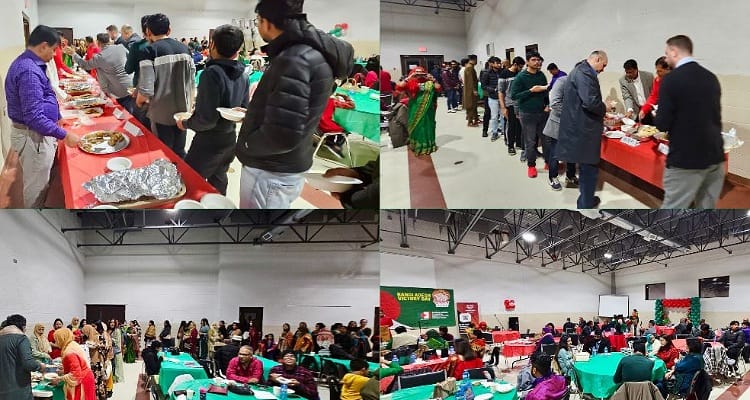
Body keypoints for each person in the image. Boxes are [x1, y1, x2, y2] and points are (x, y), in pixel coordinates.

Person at [236, 0, 354, 209]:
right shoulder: (312, 54)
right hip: (286, 163)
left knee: (258, 226)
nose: (258, 27)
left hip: (270, 170)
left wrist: (248, 144)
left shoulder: (294, 59)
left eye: (258, 21)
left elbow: (282, 136)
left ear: (267, 22)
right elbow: (293, 112)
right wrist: (252, 116)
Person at [4, 26, 81, 207]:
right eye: (53, 50)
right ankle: (35, 216)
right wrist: (64, 135)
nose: (54, 55)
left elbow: (46, 93)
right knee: (36, 187)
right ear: (43, 46)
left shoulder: (30, 63)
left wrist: (57, 115)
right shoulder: (29, 71)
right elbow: (34, 117)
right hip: (33, 136)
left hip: (36, 132)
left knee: (40, 179)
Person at [177, 24, 249, 195]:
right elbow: (243, 109)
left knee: (189, 183)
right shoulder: (244, 74)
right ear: (238, 49)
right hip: (229, 139)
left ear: (213, 45)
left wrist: (185, 123)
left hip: (208, 143)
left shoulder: (212, 73)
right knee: (219, 181)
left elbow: (206, 120)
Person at [655, 35, 724, 209]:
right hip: (715, 156)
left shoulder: (670, 80)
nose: (666, 59)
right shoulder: (711, 77)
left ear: (674, 51)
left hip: (686, 159)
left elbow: (662, 123)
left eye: (667, 54)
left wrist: (658, 114)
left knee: (672, 211)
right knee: (706, 209)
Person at [136, 13, 195, 158]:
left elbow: (146, 88)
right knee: (179, 149)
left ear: (148, 32)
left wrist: (139, 101)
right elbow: (192, 80)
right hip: (182, 112)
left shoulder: (149, 51)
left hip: (160, 113)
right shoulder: (185, 49)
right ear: (169, 30)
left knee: (162, 151)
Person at [556, 50, 608, 209]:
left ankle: (585, 199)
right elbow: (590, 102)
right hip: (584, 128)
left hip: (579, 126)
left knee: (586, 168)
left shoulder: (579, 71)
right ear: (597, 59)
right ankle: (586, 203)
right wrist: (604, 108)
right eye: (603, 65)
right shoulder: (585, 73)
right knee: (589, 169)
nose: (603, 69)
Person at [65, 33, 134, 114]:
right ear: (109, 40)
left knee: (124, 112)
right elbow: (131, 59)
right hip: (130, 85)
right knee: (130, 111)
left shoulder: (100, 57)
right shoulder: (121, 47)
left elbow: (85, 65)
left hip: (118, 90)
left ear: (97, 42)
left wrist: (74, 54)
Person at [510, 51, 550, 179]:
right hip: (527, 114)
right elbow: (514, 96)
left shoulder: (541, 75)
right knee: (530, 141)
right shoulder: (520, 77)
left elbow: (545, 91)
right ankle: (531, 166)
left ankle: (548, 162)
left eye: (538, 60)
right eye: (534, 60)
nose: (537, 62)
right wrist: (530, 91)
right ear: (527, 62)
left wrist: (547, 104)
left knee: (546, 139)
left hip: (542, 113)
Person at [542, 74, 578, 191]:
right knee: (556, 152)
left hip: (574, 125)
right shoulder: (562, 82)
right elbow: (555, 104)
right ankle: (552, 177)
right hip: (559, 123)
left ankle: (570, 175)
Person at [395, 66, 441, 155]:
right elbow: (398, 87)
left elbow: (438, 88)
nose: (420, 76)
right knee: (417, 126)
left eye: (422, 73)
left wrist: (433, 80)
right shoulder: (410, 82)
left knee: (427, 126)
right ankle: (417, 145)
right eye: (417, 74)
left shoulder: (429, 82)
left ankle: (428, 146)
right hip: (414, 108)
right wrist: (410, 77)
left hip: (428, 110)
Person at [0, 314, 45, 400]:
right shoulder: (21, 338)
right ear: (22, 326)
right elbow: (28, 363)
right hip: (19, 390)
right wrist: (40, 366)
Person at [49, 328, 96, 399]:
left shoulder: (69, 351)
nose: (56, 342)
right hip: (86, 376)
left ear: (62, 339)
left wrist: (59, 379)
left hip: (82, 381)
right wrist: (64, 370)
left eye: (57, 339)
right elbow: (79, 365)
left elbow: (76, 374)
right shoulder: (72, 344)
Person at [124, 15, 152, 128]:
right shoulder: (168, 46)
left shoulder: (137, 46)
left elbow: (128, 69)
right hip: (163, 93)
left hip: (141, 89)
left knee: (141, 125)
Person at [499, 56, 525, 156]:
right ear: (515, 64)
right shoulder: (504, 74)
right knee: (511, 125)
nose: (521, 69)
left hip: (520, 103)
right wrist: (503, 107)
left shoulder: (520, 74)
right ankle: (510, 146)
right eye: (520, 67)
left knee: (519, 125)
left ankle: (518, 143)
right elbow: (501, 91)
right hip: (509, 103)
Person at [638, 57, 671, 123]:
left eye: (660, 71)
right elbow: (653, 96)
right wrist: (644, 109)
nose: (657, 73)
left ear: (668, 69)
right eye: (657, 70)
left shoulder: (677, 80)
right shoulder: (657, 80)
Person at [481, 56, 504, 141]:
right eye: (497, 63)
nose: (499, 65)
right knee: (494, 116)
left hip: (502, 97)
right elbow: (483, 86)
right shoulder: (486, 73)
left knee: (503, 115)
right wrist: (493, 89)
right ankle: (494, 132)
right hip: (493, 97)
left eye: (499, 63)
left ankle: (503, 131)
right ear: (491, 64)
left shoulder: (503, 72)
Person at [462, 54, 480, 126]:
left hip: (471, 90)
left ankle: (476, 119)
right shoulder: (469, 67)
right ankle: (470, 122)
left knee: (474, 105)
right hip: (470, 91)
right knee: (471, 105)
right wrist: (474, 90)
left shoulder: (470, 67)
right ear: (474, 59)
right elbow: (470, 80)